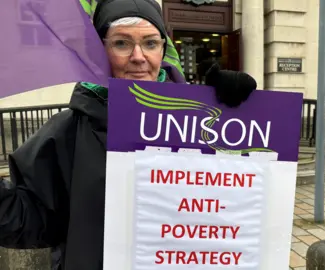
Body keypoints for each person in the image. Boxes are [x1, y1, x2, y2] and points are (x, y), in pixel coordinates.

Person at [0, 0, 257, 269]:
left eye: (150, 43)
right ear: (100, 51)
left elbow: (235, 197)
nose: (138, 56)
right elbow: (26, 219)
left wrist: (240, 111)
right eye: (121, 43)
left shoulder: (197, 125)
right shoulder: (67, 132)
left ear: (162, 50)